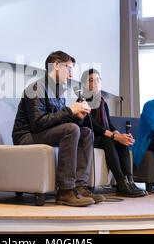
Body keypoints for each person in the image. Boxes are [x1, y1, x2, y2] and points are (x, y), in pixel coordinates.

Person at [12, 51, 105, 207]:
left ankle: (80, 187)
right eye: (68, 69)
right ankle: (65, 191)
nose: (70, 75)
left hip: (41, 133)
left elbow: (58, 121)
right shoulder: (36, 88)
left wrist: (77, 116)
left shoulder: (58, 92)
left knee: (85, 132)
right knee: (71, 129)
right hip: (26, 137)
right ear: (55, 65)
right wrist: (70, 111)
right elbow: (37, 124)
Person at [80, 69, 146, 197]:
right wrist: (114, 136)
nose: (96, 83)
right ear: (85, 84)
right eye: (92, 80)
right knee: (109, 140)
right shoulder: (83, 100)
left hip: (103, 136)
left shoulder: (102, 102)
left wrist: (120, 135)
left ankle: (129, 181)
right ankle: (121, 183)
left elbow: (109, 124)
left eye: (98, 80)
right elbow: (92, 125)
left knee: (123, 142)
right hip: (90, 137)